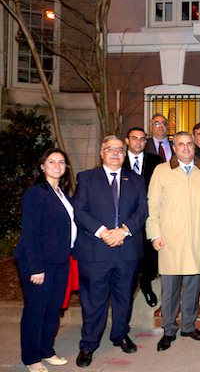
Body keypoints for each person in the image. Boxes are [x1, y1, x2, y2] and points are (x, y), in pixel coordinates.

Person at [73, 136, 148, 367]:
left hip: (126, 250)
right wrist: (103, 231)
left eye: (119, 150)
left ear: (125, 155)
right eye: (110, 149)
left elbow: (142, 210)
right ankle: (88, 344)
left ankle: (120, 335)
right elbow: (79, 209)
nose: (115, 153)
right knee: (93, 300)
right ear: (101, 153)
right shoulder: (87, 178)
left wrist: (123, 232)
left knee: (124, 297)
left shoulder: (136, 180)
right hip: (96, 251)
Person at [147, 131, 200, 351]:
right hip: (170, 240)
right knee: (169, 289)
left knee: (193, 288)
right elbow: (153, 205)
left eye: (189, 144)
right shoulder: (161, 171)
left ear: (194, 147)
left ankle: (188, 325)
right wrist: (155, 234)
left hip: (198, 239)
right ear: (174, 148)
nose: (186, 148)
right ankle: (169, 329)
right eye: (181, 144)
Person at [14, 148, 76, 372]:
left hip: (60, 260)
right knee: (35, 311)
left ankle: (47, 350)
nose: (57, 165)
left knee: (53, 309)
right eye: (52, 161)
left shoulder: (61, 193)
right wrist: (36, 268)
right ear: (42, 166)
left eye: (61, 162)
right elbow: (30, 233)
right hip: (38, 262)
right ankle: (31, 358)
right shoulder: (35, 193)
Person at [123, 127, 164, 308]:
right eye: (134, 138)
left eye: (142, 139)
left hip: (149, 214)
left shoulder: (156, 161)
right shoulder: (118, 160)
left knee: (149, 254)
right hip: (124, 218)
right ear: (127, 141)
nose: (138, 142)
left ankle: (147, 286)